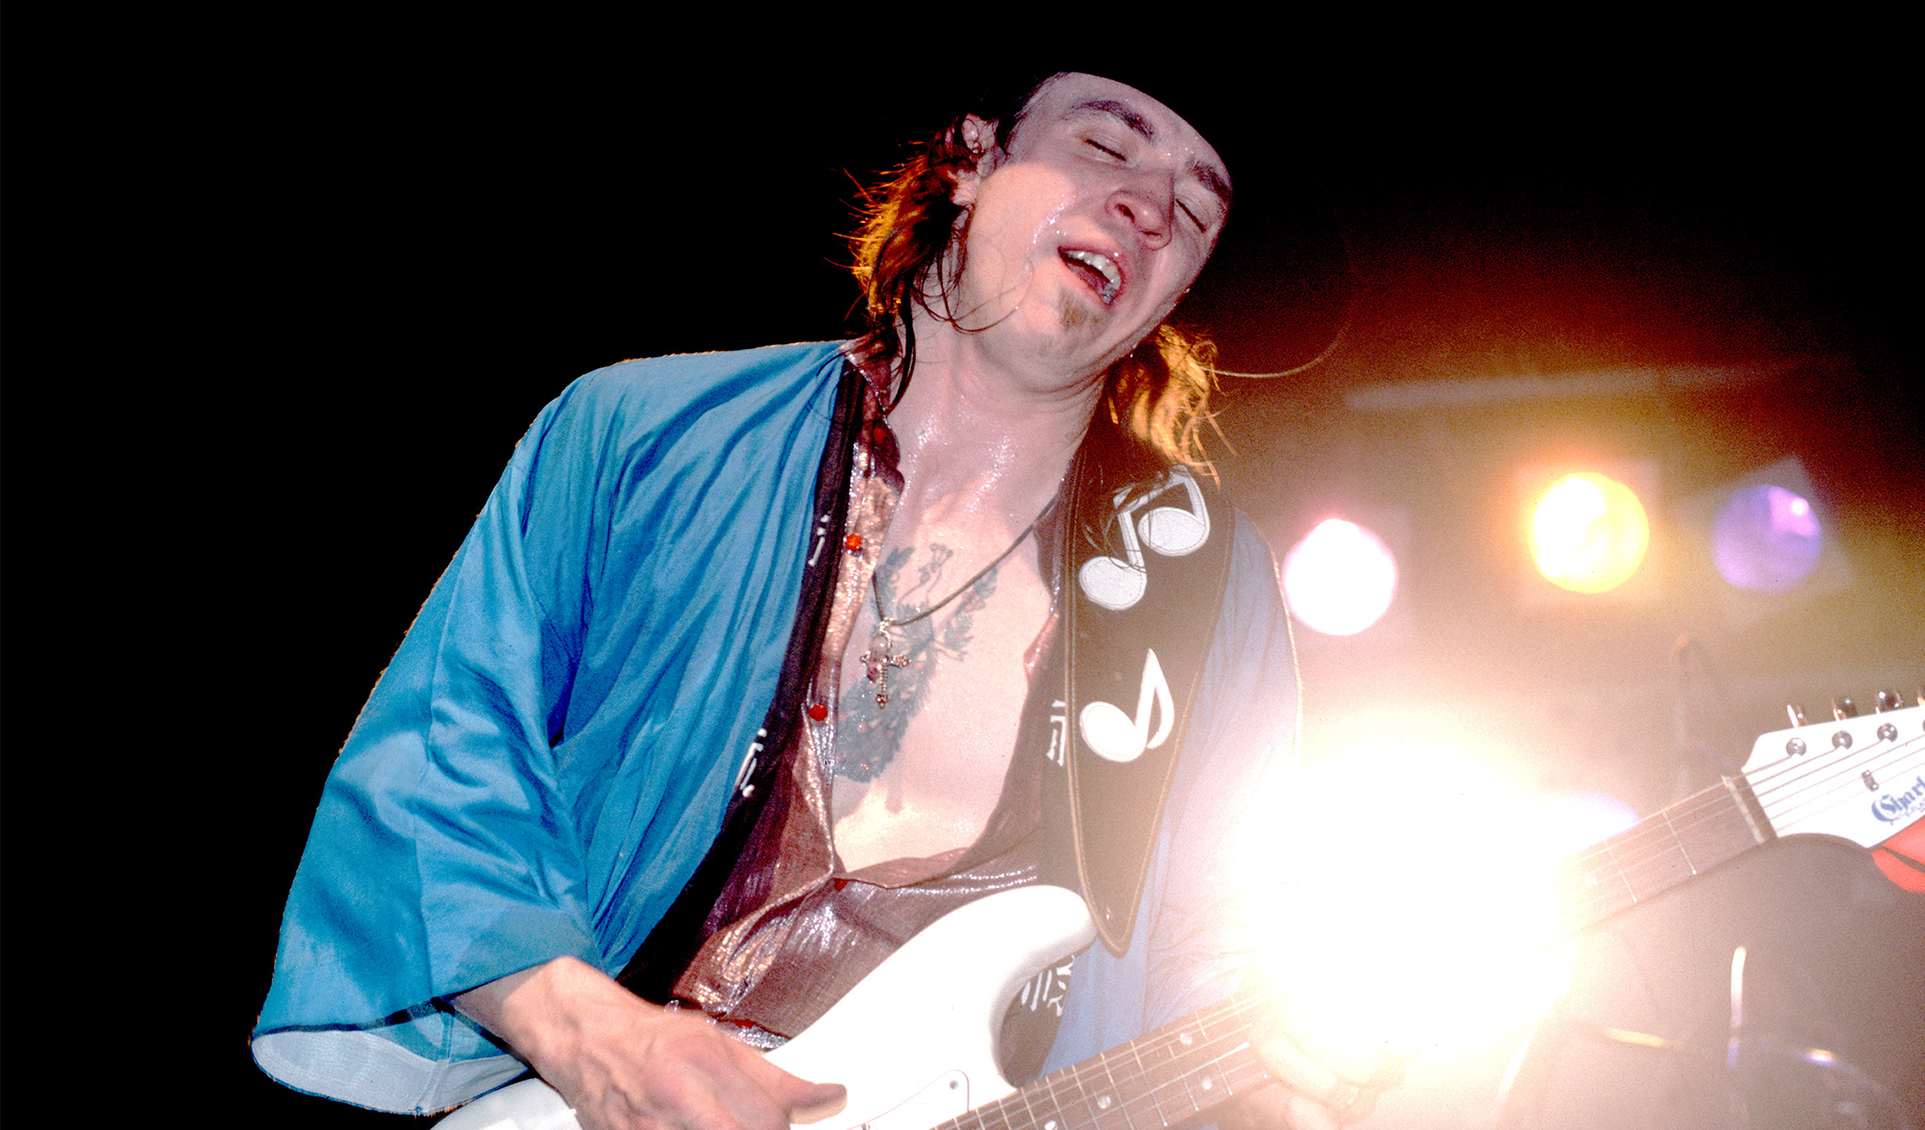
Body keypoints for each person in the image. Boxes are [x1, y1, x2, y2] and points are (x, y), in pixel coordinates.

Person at [254, 70, 1402, 1130]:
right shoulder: (646, 434)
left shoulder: (1206, 586)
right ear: (971, 156)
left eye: (1193, 210)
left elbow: (1211, 946)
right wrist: (590, 1035)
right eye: (1106, 144)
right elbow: (441, 755)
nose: (1147, 208)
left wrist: (1290, 1072)